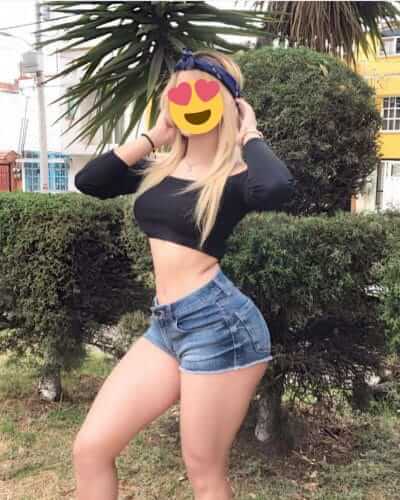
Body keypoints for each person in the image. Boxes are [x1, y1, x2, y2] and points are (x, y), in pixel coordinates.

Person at [72, 47, 296, 500]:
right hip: (167, 326)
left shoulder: (236, 176)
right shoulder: (160, 169)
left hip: (219, 326)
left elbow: (277, 186)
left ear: (227, 103)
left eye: (203, 92)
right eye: (180, 93)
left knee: (204, 475)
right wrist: (156, 134)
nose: (190, 101)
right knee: (90, 449)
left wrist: (249, 132)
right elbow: (91, 181)